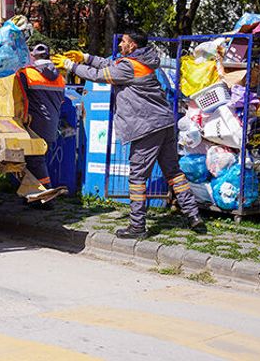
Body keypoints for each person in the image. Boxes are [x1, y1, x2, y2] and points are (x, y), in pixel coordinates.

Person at [52, 30, 205, 238]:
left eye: (124, 42)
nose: (121, 45)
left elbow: (100, 75)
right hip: (165, 123)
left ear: (132, 45)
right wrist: (85, 57)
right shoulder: (141, 62)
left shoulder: (130, 67)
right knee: (174, 173)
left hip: (146, 127)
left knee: (137, 177)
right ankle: (194, 216)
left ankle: (137, 226)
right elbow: (111, 65)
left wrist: (72, 66)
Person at [18, 43, 66, 199]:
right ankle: (32, 195)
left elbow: (20, 99)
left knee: (35, 161)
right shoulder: (59, 77)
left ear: (33, 55)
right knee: (38, 160)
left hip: (34, 123)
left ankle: (46, 196)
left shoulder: (26, 74)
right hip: (52, 124)